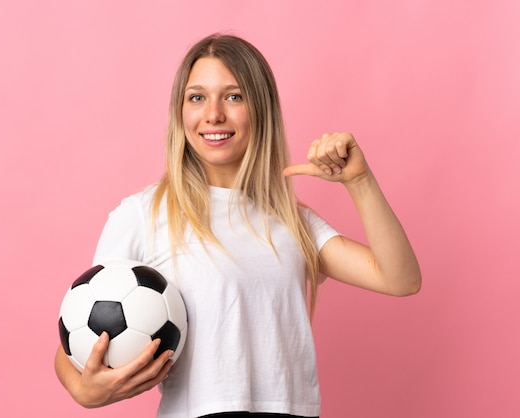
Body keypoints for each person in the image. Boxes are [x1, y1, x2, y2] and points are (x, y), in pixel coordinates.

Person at [54, 33, 421, 418]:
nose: (213, 114)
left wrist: (359, 182)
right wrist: (83, 389)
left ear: (260, 108)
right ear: (181, 111)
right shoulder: (143, 214)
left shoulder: (292, 222)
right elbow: (79, 332)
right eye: (197, 97)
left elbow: (400, 279)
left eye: (233, 96)